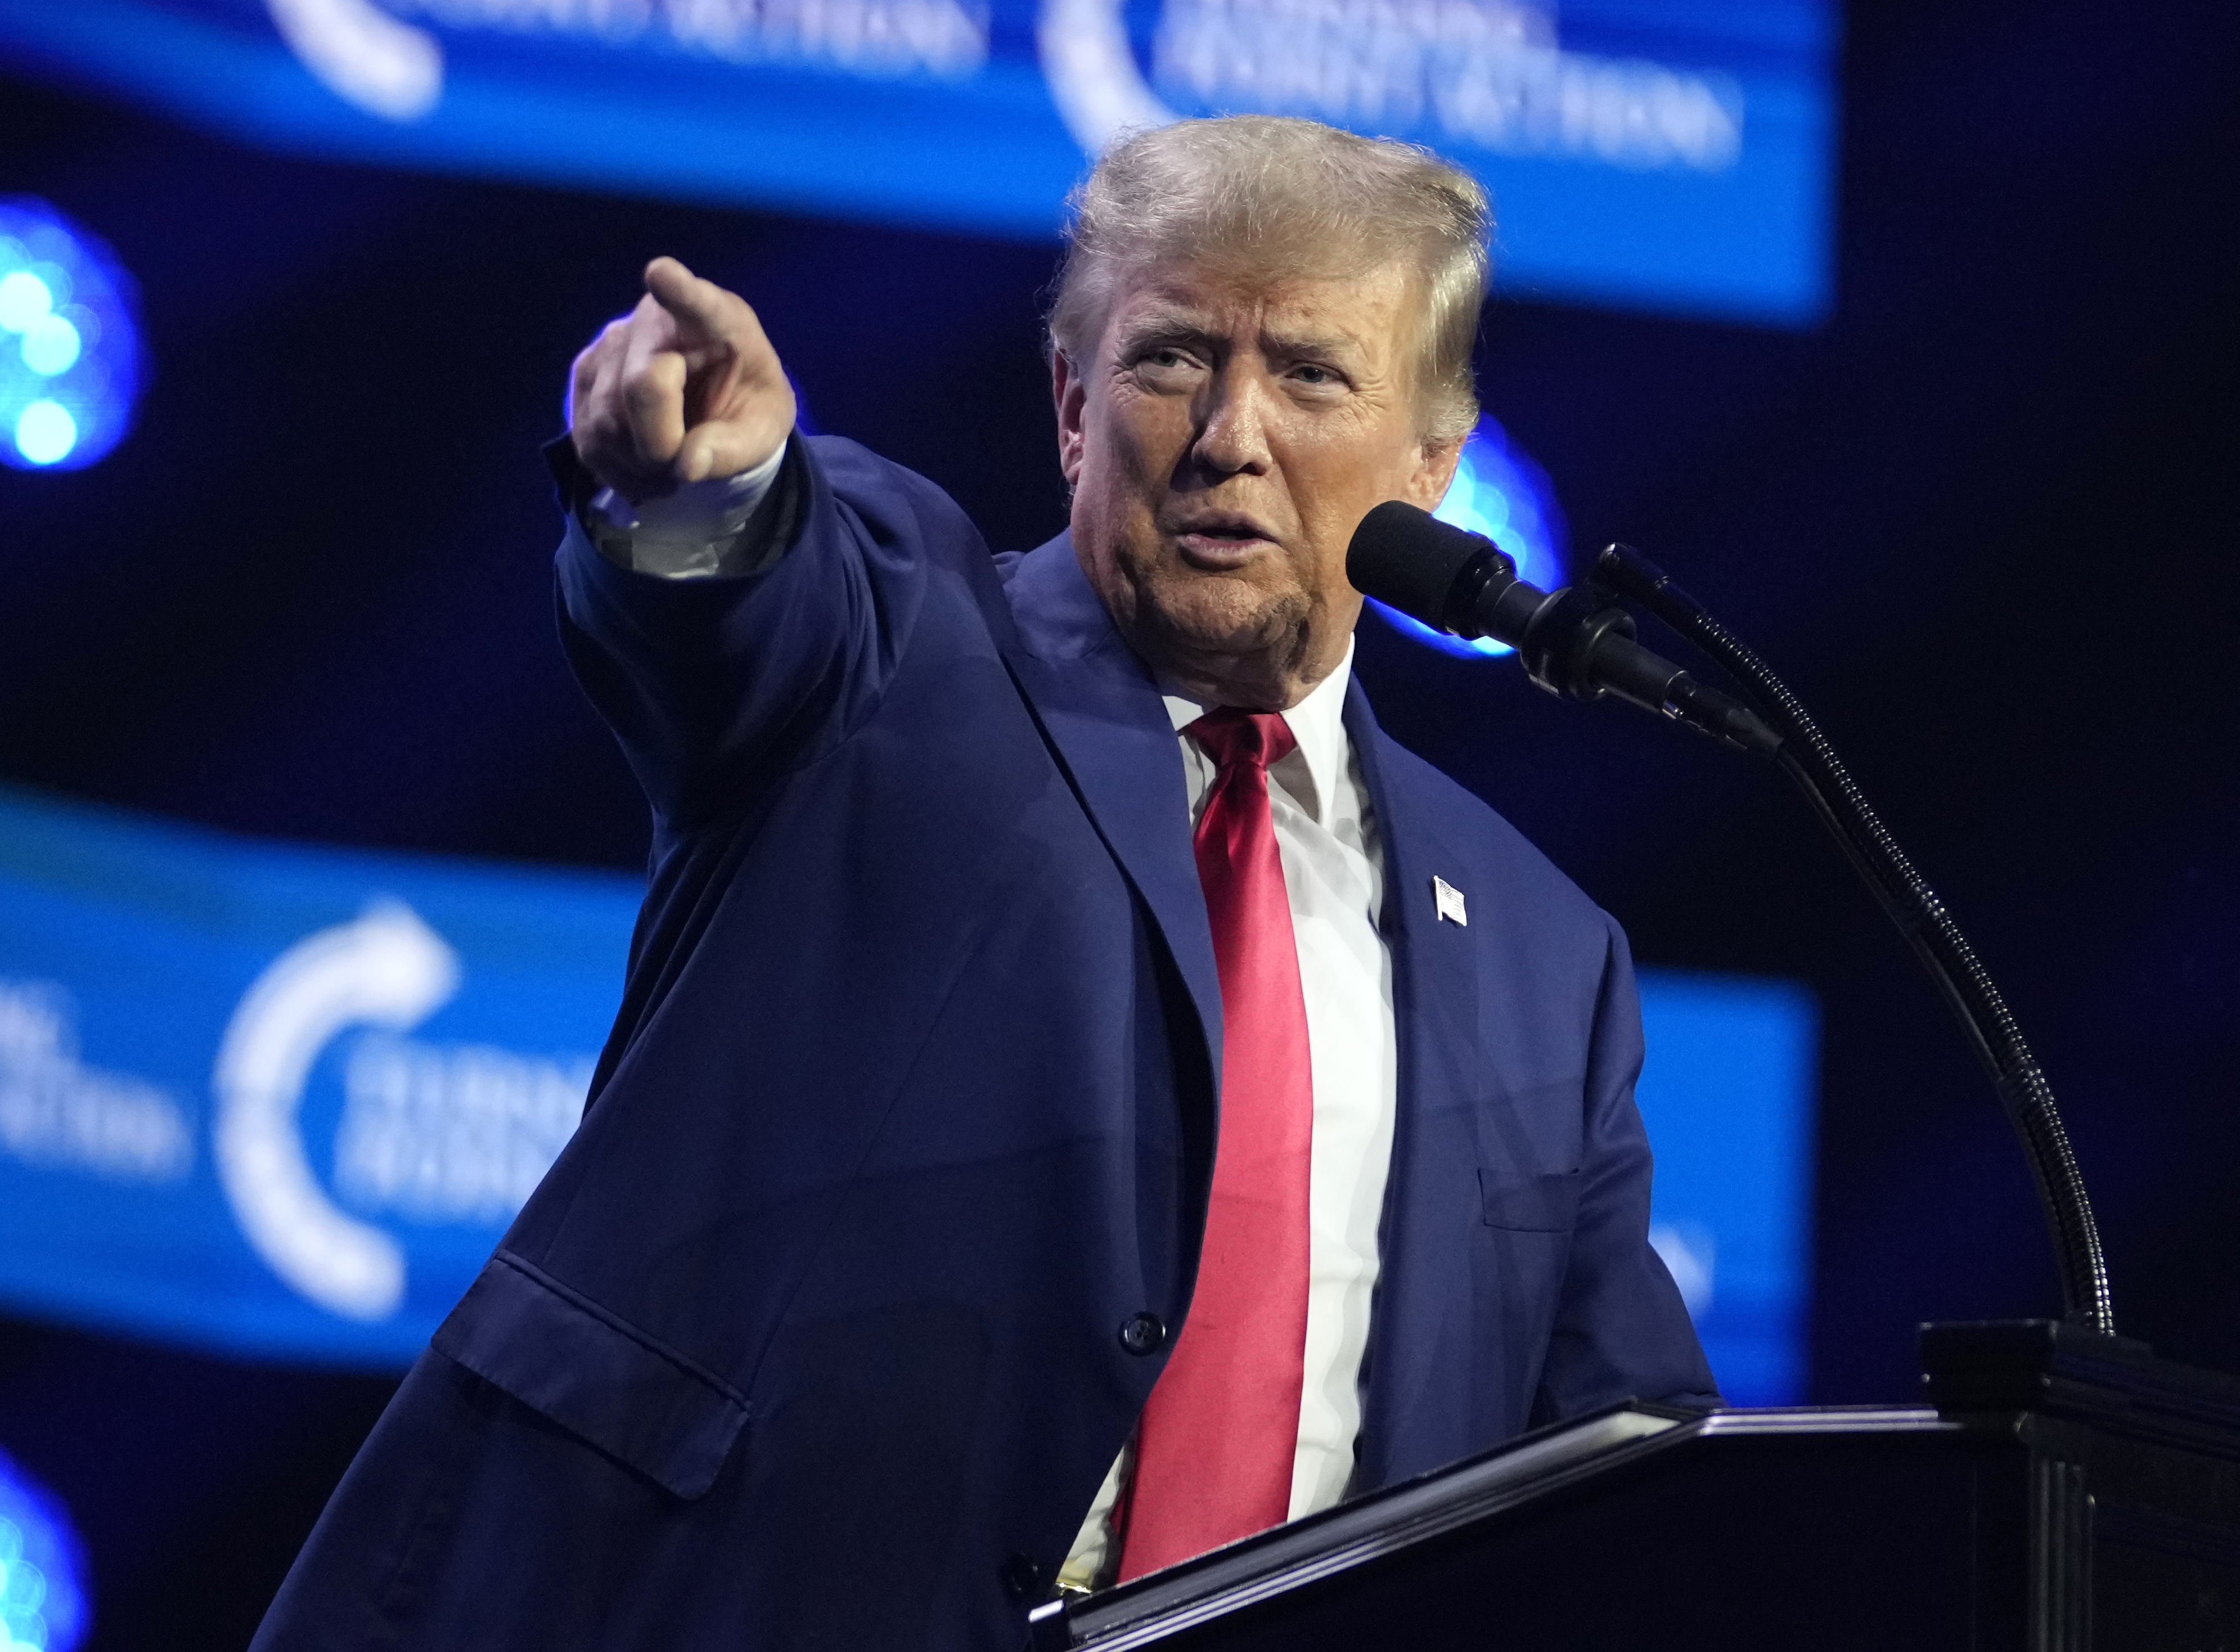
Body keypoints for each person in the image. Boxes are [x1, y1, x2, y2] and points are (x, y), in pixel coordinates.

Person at [250, 114, 1715, 1652]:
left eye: (1310, 372)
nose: (1229, 432)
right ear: (1074, 410)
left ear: (1433, 464)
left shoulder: (1550, 959)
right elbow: (748, 589)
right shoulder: (897, 645)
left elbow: (1632, 1477)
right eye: (1167, 359)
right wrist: (698, 493)